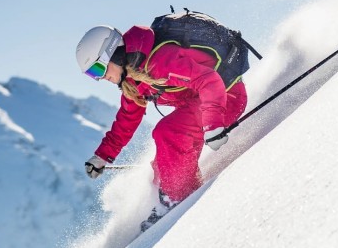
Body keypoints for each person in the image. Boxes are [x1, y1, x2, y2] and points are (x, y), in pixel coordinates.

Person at [76, 24, 248, 229]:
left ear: (112, 53)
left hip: (226, 97)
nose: (100, 77)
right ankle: (178, 196)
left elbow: (209, 81)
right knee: (162, 167)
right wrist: (102, 156)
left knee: (168, 132)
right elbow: (127, 119)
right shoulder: (133, 78)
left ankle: (176, 198)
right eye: (92, 75)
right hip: (200, 103)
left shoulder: (160, 61)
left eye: (98, 69)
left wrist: (213, 124)